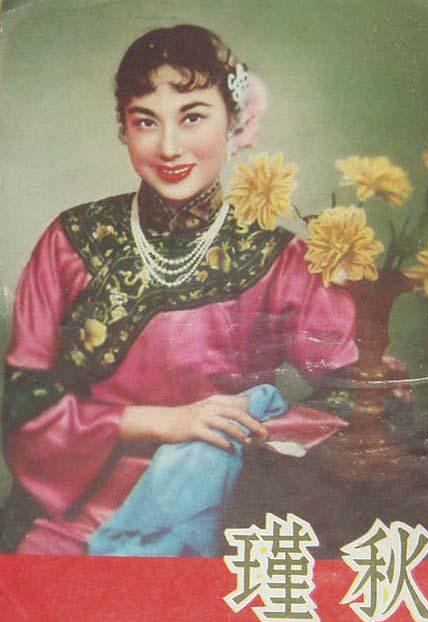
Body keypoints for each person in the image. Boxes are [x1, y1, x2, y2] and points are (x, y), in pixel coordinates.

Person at [0, 25, 357, 555]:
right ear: (124, 128)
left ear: (235, 124)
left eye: (192, 117)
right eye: (145, 121)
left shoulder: (279, 257)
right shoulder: (71, 241)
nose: (169, 147)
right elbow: (23, 403)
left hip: (224, 511)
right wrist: (168, 422)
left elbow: (354, 391)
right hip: (72, 518)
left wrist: (241, 431)